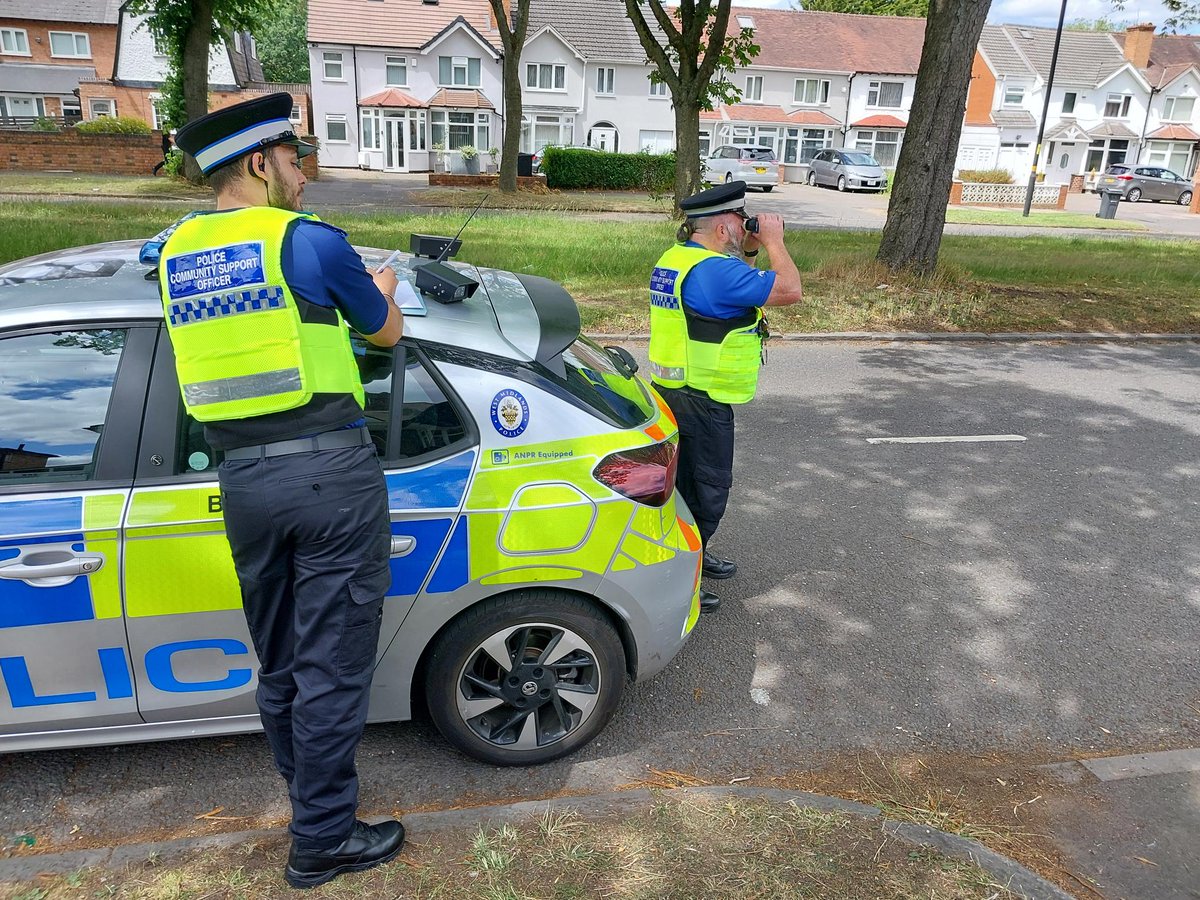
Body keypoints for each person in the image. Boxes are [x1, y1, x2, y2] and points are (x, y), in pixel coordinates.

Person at [158, 93, 405, 889]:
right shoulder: (307, 244)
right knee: (332, 666)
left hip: (242, 480)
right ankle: (323, 841)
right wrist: (384, 285)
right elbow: (386, 332)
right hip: (328, 476)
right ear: (261, 163)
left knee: (284, 661)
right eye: (296, 162)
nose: (304, 179)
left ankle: (308, 800)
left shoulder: (175, 251)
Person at [648, 180, 804, 613]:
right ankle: (683, 581)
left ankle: (694, 553)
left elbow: (737, 287)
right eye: (740, 219)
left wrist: (750, 249)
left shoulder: (677, 259)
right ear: (721, 228)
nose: (745, 224)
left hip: (673, 391)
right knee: (707, 493)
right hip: (703, 400)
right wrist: (774, 242)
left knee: (682, 488)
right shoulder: (717, 272)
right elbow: (789, 290)